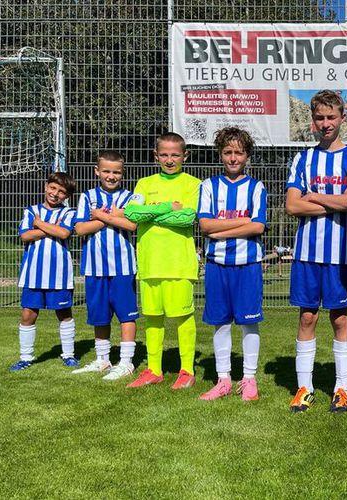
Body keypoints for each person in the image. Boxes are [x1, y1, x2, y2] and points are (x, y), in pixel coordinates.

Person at [285, 90, 347, 413]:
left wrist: (314, 196)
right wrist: (335, 202)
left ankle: (342, 388)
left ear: (342, 118)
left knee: (340, 318)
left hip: (339, 254)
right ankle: (305, 387)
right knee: (307, 316)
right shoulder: (302, 159)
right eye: (320, 118)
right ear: (313, 121)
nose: (326, 123)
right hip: (307, 253)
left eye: (332, 117)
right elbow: (292, 205)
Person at [124, 132, 201, 389]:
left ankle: (187, 369)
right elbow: (131, 213)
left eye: (175, 155)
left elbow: (187, 218)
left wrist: (149, 213)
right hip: (150, 264)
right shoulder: (144, 183)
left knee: (183, 317)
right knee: (152, 317)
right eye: (164, 154)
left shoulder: (193, 184)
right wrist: (167, 207)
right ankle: (153, 369)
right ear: (155, 156)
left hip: (179, 264)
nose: (169, 160)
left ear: (185, 156)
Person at [196, 127, 267, 401]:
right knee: (221, 323)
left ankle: (249, 378)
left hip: (248, 263)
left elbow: (258, 226)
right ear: (220, 154)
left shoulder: (256, 187)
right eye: (228, 152)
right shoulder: (208, 186)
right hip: (217, 264)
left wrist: (220, 231)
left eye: (239, 152)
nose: (233, 158)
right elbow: (205, 225)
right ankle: (223, 379)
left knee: (249, 322)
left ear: (247, 155)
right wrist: (243, 222)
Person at [71, 151, 140, 380]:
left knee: (126, 315)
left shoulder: (130, 198)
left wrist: (99, 216)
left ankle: (126, 362)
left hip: (123, 267)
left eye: (116, 172)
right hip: (95, 267)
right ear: (97, 171)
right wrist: (111, 217)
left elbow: (131, 225)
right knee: (99, 315)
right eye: (106, 171)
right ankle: (103, 359)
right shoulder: (87, 196)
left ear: (122, 173)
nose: (111, 176)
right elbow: (80, 229)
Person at [9, 172, 79, 371]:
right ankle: (26, 357)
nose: (55, 193)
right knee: (28, 314)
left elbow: (64, 233)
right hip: (33, 274)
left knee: (64, 313)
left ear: (67, 196)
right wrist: (50, 228)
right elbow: (25, 236)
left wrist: (39, 224)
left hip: (59, 274)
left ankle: (68, 355)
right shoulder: (31, 210)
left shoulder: (69, 213)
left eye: (61, 191)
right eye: (53, 188)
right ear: (46, 186)